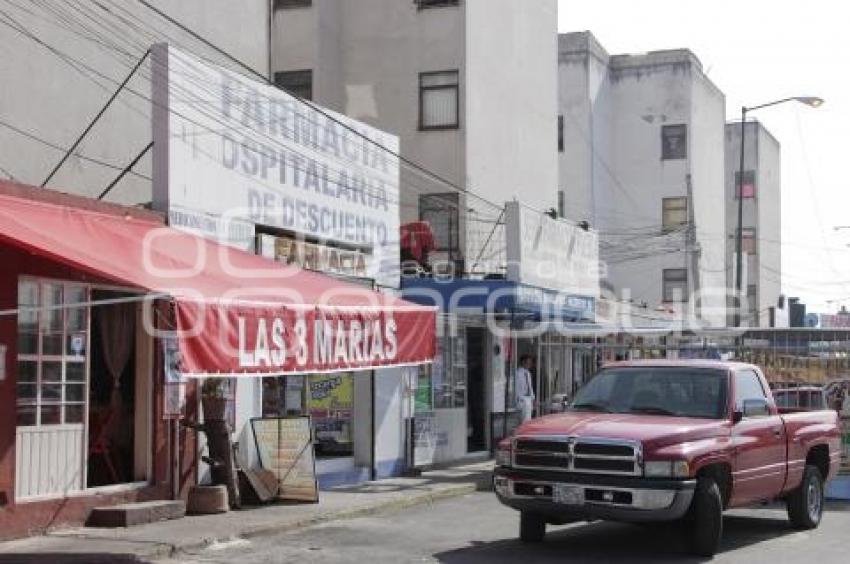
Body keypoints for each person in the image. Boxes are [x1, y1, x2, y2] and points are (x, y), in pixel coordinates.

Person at [515, 355, 536, 423]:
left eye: (530, 363)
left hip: (528, 399)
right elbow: (516, 387)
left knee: (528, 420)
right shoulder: (517, 373)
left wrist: (533, 398)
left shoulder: (528, 373)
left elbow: (530, 386)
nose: (530, 364)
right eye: (528, 362)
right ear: (523, 362)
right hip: (521, 399)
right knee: (523, 421)